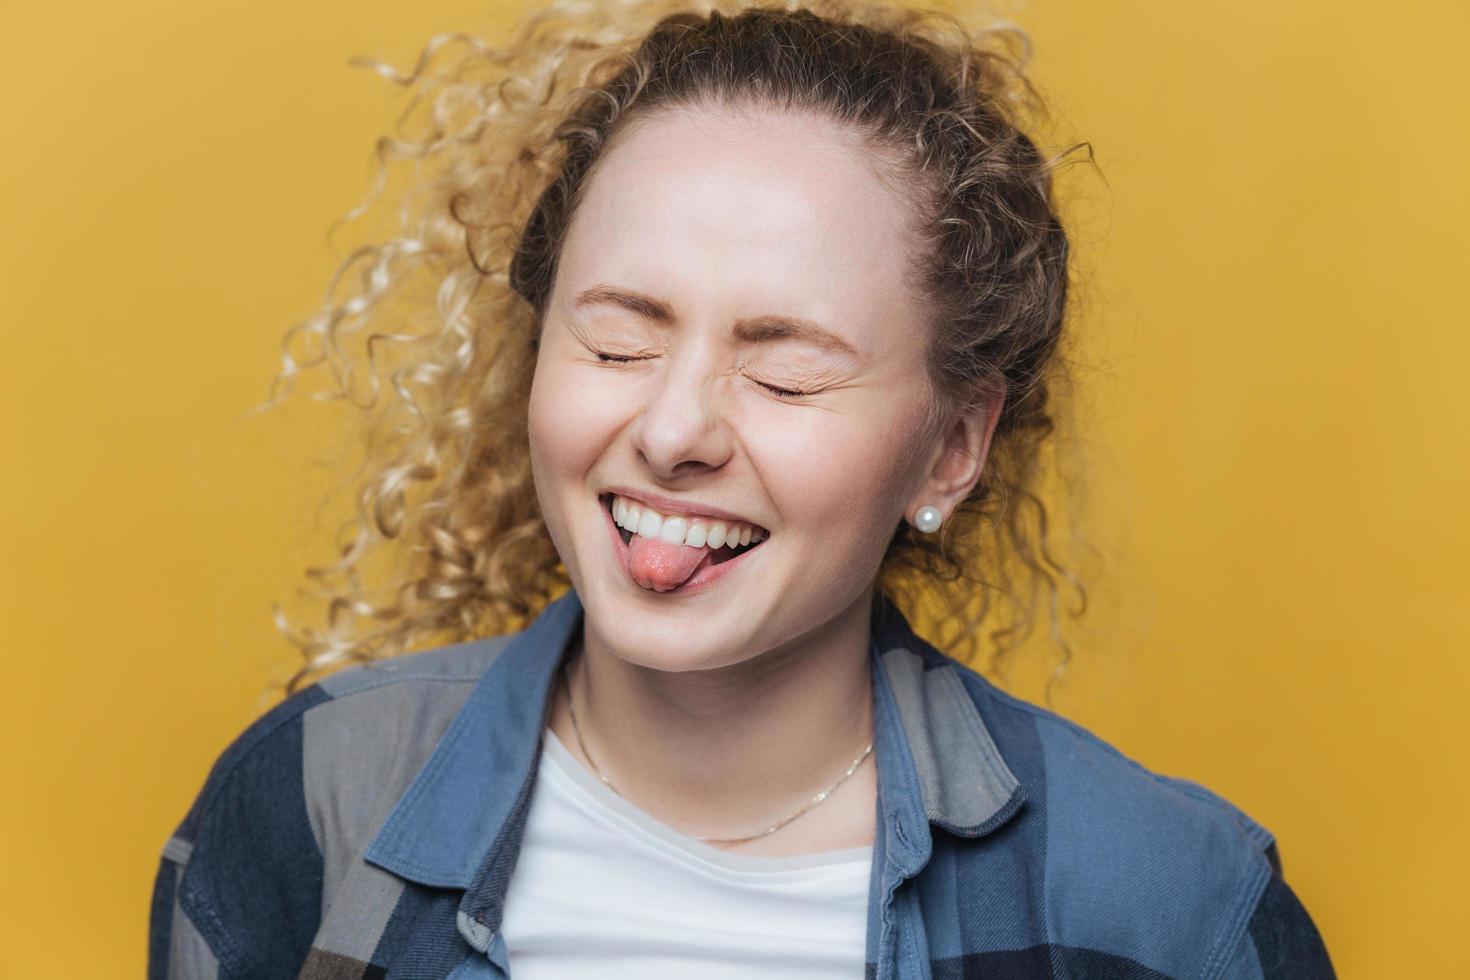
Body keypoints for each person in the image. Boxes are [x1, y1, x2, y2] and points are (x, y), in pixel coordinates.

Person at [148, 1, 1336, 977]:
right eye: (616, 344)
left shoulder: (1170, 908)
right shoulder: (306, 800)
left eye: (787, 370)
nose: (671, 429)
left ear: (951, 448)